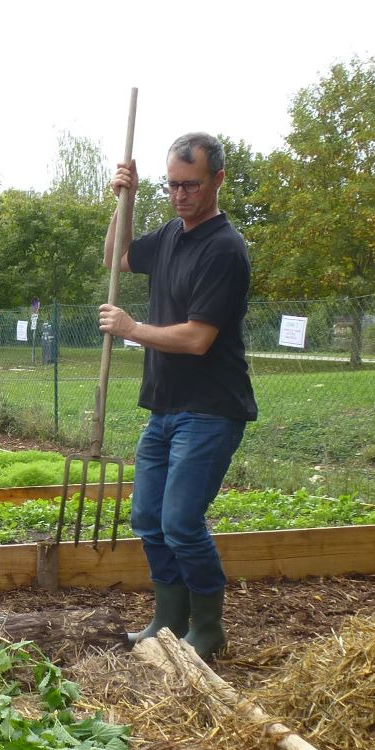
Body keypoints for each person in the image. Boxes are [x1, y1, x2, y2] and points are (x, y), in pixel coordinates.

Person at [99, 132, 258, 660]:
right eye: (171, 185)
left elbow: (197, 338)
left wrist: (131, 327)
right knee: (146, 517)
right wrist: (126, 198)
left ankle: (208, 629)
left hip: (210, 410)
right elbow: (115, 257)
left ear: (217, 180)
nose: (180, 194)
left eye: (190, 184)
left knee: (181, 522)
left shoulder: (225, 250)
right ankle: (168, 619)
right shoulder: (169, 235)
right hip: (164, 408)